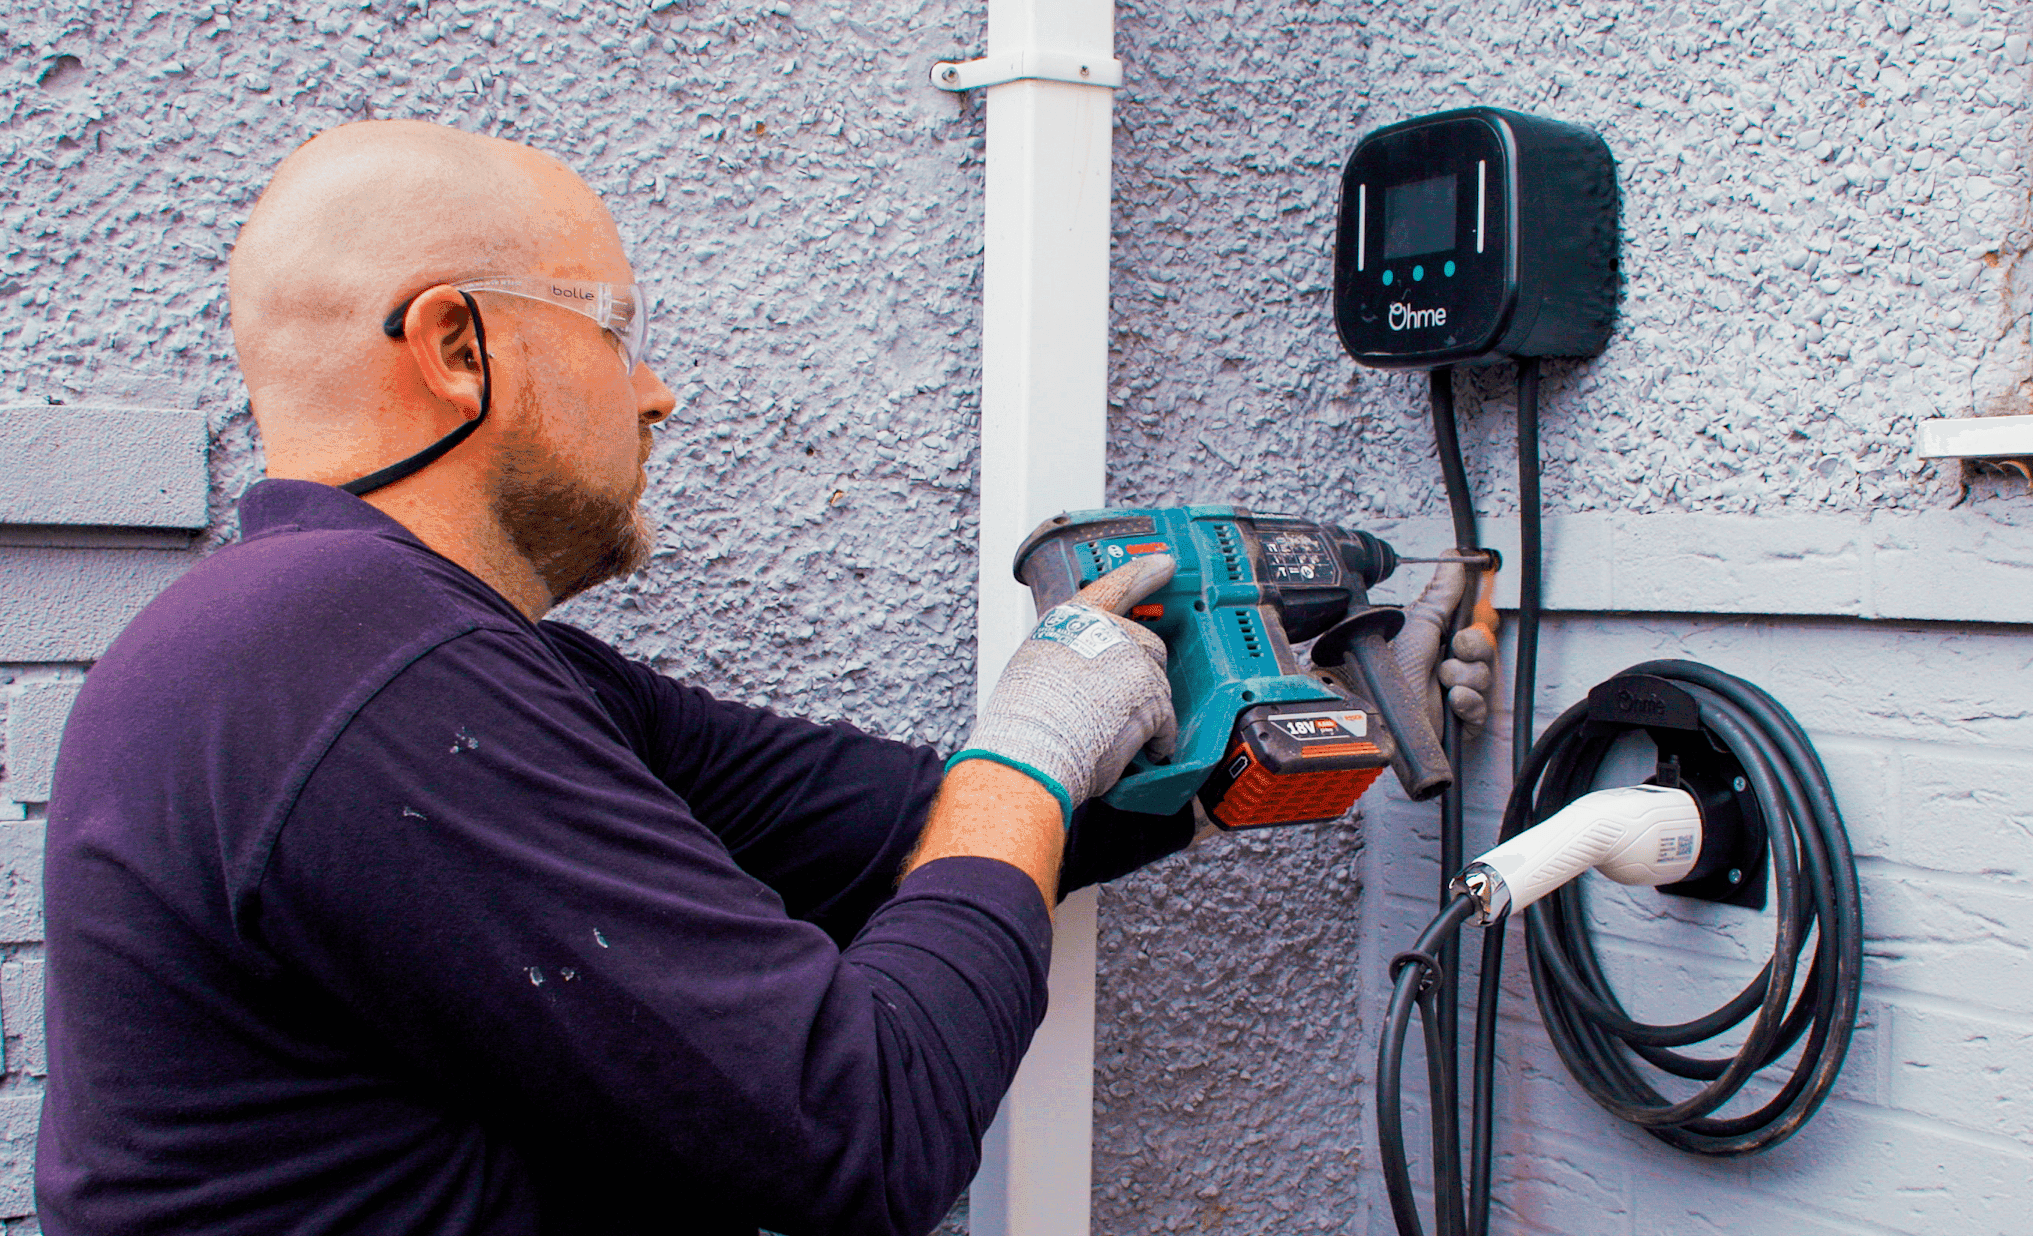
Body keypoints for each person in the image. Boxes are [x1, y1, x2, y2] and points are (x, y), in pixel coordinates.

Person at [36, 121, 1495, 1235]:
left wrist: (1283, 727)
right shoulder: (367, 676)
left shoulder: (381, 652)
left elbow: (914, 831)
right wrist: (1032, 748)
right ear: (457, 345)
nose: (656, 391)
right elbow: (863, 1131)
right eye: (615, 330)